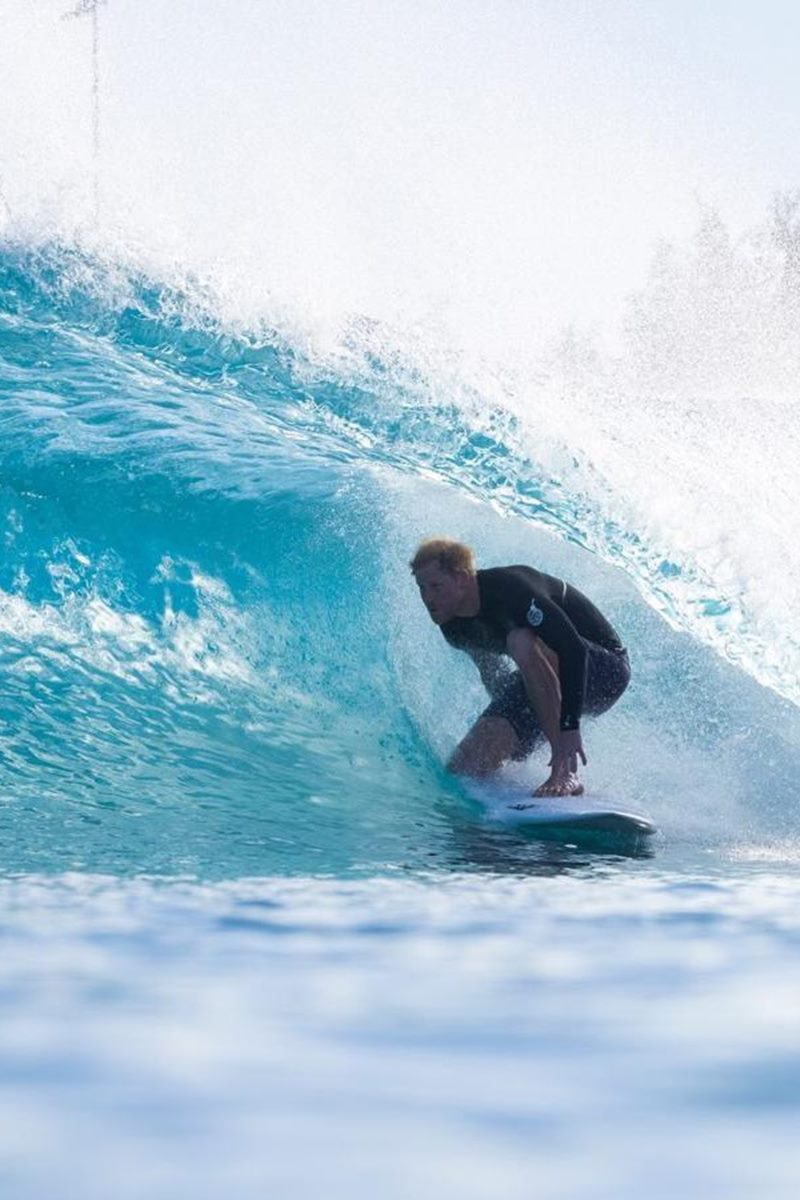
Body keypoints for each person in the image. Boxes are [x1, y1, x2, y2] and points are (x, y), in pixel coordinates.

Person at [410, 538, 630, 797]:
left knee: (521, 640)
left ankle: (565, 770)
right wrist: (509, 724)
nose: (428, 598)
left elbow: (573, 651)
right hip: (544, 676)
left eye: (436, 586)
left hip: (602, 671)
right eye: (422, 588)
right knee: (464, 768)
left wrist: (569, 727)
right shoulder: (453, 625)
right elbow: (492, 673)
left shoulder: (512, 590)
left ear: (462, 579)